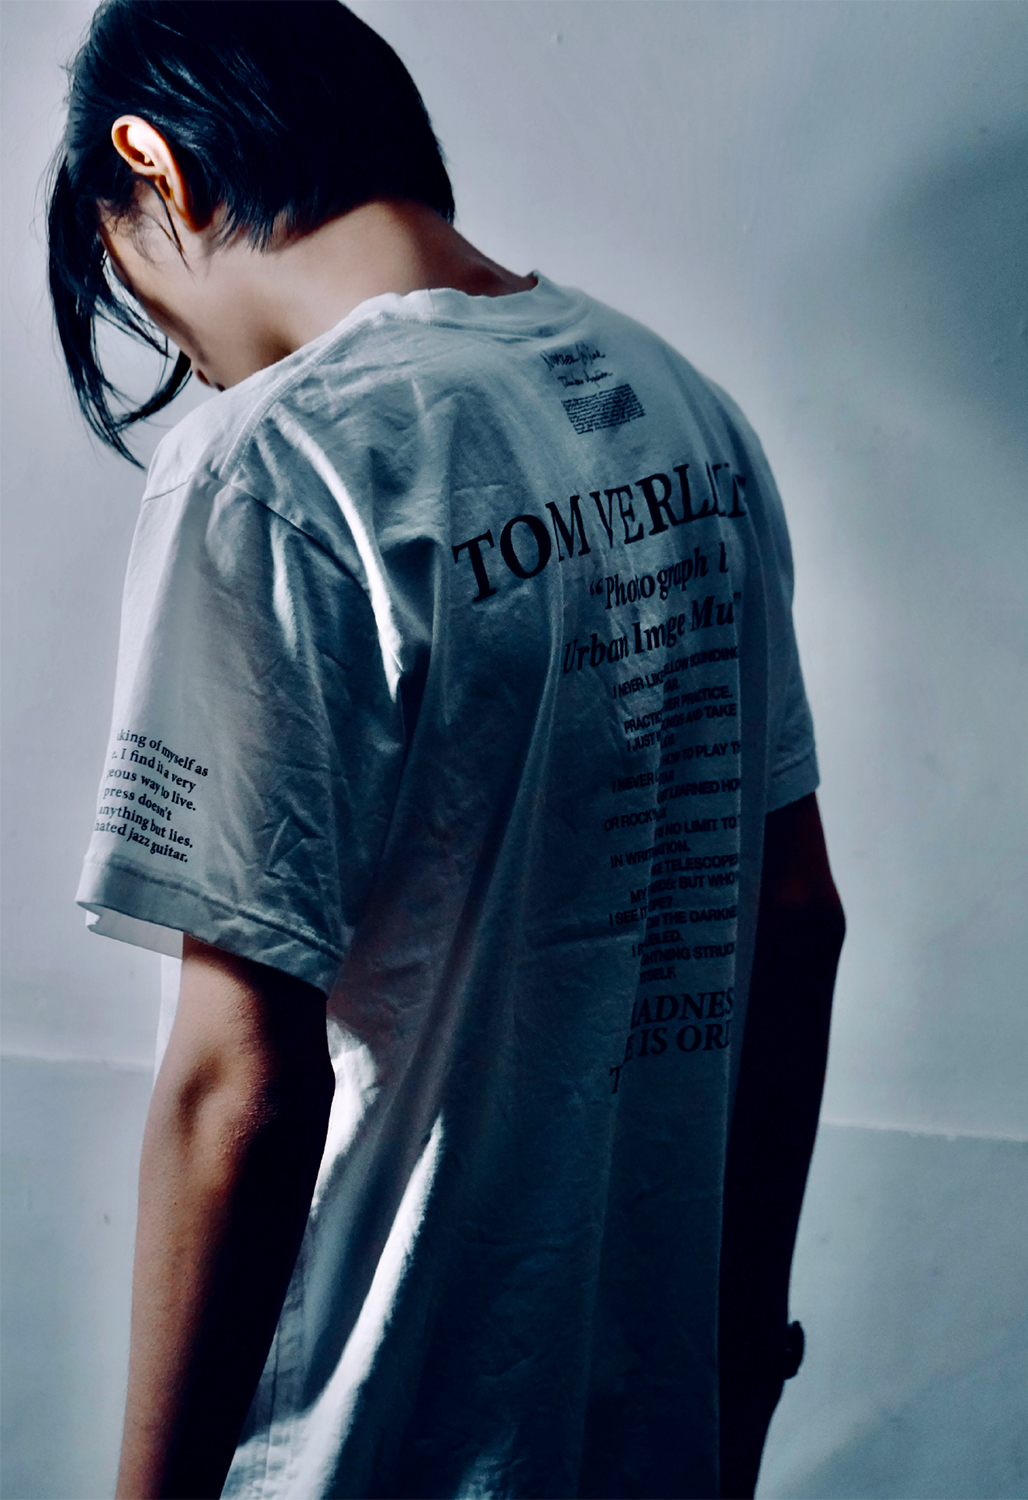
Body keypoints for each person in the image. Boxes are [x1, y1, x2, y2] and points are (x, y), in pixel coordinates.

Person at [48, 3, 846, 1496]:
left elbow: (237, 1083)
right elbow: (795, 921)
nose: (187, 363)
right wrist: (742, 1356)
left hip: (384, 1433)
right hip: (648, 1429)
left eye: (132, 287)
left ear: (156, 168)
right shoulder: (681, 408)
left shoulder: (275, 460)